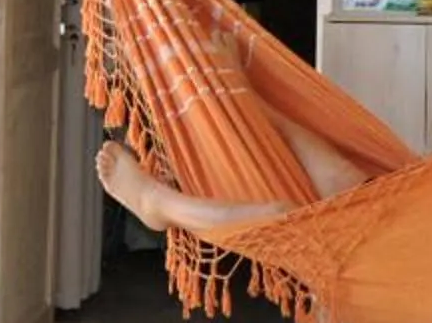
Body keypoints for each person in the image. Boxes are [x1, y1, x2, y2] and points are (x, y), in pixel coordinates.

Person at [94, 100, 374, 239]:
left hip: (393, 252)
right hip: (400, 211)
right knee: (346, 180)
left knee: (283, 221)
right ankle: (256, 105)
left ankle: (157, 203)